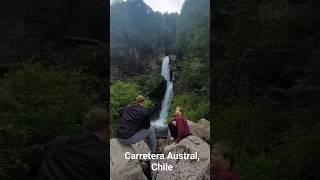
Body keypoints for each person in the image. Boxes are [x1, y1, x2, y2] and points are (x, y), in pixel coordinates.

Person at [35, 107, 108, 180]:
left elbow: (37, 154)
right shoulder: (105, 153)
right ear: (105, 126)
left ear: (85, 125)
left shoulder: (59, 142)